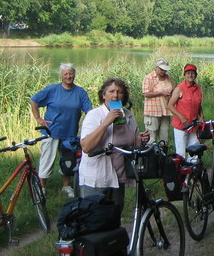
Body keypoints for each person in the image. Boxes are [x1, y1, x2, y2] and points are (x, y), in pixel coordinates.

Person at [78, 77, 150, 213]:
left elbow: (133, 142)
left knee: (114, 217)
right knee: (93, 219)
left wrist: (141, 138)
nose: (115, 95)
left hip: (118, 176)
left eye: (119, 92)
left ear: (124, 97)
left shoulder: (127, 115)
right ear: (103, 95)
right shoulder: (94, 115)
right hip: (97, 176)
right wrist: (106, 122)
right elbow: (86, 147)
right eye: (111, 91)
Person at [30, 63, 92, 198]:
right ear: (61, 76)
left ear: (74, 74)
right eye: (66, 74)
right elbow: (34, 100)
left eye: (71, 73)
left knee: (68, 161)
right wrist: (38, 118)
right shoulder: (53, 89)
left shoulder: (80, 92)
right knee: (47, 159)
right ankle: (42, 187)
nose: (69, 76)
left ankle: (66, 186)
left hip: (70, 133)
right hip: (51, 131)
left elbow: (89, 110)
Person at [167, 64, 203, 160]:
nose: (190, 75)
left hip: (194, 125)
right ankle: (181, 173)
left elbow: (199, 105)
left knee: (195, 151)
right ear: (184, 75)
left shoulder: (198, 88)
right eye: (188, 73)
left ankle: (193, 173)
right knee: (181, 153)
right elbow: (170, 105)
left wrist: (202, 116)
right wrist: (181, 117)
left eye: (192, 73)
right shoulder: (179, 88)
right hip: (181, 125)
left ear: (196, 75)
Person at [142, 58, 174, 143]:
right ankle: (149, 154)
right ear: (156, 67)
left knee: (164, 136)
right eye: (161, 69)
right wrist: (160, 93)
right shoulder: (148, 78)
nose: (163, 71)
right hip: (153, 111)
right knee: (151, 137)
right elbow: (146, 94)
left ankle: (163, 153)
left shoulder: (168, 78)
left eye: (165, 70)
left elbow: (172, 89)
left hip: (165, 111)